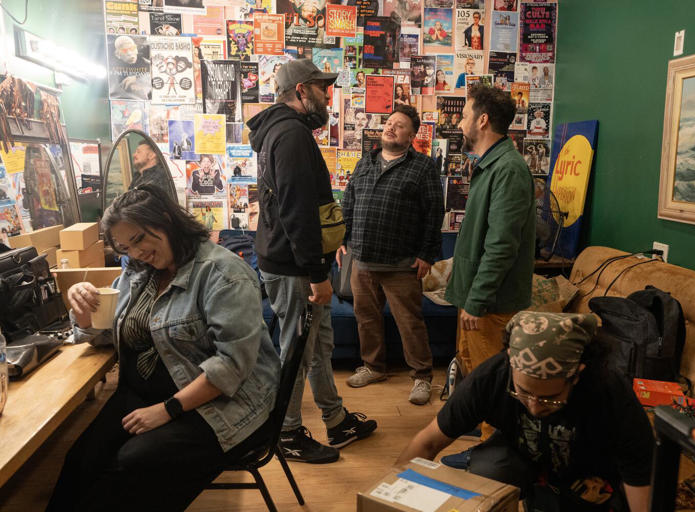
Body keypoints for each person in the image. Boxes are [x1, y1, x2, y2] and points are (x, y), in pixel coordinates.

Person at [46, 186, 280, 511]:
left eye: (140, 239)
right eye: (125, 247)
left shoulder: (222, 273)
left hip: (223, 403)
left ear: (166, 220)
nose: (136, 252)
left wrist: (167, 409)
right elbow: (116, 332)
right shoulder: (139, 270)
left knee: (133, 464)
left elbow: (231, 365)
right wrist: (85, 312)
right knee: (81, 462)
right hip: (146, 392)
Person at [246, 59, 377, 464]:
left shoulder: (282, 132)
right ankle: (286, 433)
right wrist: (318, 274)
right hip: (294, 267)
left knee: (317, 343)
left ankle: (336, 421)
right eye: (322, 89)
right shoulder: (291, 135)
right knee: (298, 349)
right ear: (301, 91)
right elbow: (296, 211)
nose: (328, 96)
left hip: (289, 261)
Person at [396, 311, 654, 512]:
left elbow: (638, 471)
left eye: (549, 399)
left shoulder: (610, 391)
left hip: (589, 473)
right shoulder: (490, 377)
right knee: (488, 470)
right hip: (519, 458)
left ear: (576, 376)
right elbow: (428, 443)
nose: (534, 405)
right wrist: (391, 495)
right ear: (510, 361)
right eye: (523, 393)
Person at [445, 84, 536, 441]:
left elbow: (501, 245)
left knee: (492, 383)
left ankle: (492, 454)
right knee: (477, 377)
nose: (460, 120)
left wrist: (477, 300)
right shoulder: (489, 164)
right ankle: (483, 442)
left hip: (489, 305)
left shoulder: (508, 169)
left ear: (482, 120)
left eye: (465, 114)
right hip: (474, 300)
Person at [338, 105, 444, 405]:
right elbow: (349, 202)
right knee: (366, 319)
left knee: (410, 323)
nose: (391, 127)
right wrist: (342, 238)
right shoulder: (365, 162)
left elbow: (434, 214)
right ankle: (373, 367)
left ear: (411, 136)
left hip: (401, 263)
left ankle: (422, 376)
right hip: (361, 259)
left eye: (399, 125)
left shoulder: (422, 167)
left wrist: (427, 255)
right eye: (389, 122)